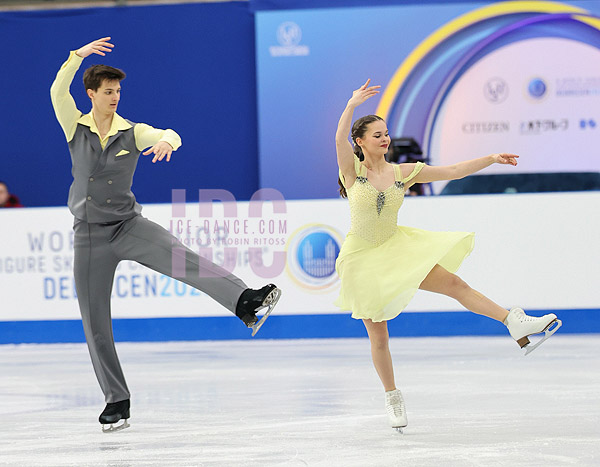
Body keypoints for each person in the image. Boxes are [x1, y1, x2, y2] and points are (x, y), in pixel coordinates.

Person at [50, 37, 281, 432]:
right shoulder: (75, 125)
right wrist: (77, 56)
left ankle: (244, 300)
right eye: (108, 92)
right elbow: (57, 89)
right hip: (88, 236)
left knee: (182, 257)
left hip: (128, 225)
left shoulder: (131, 132)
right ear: (91, 94)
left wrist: (164, 141)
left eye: (119, 91)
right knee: (95, 323)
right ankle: (116, 400)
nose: (115, 97)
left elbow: (170, 133)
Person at [334, 80, 561, 432]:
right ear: (360, 141)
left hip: (396, 247)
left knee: (454, 283)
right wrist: (351, 103)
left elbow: (453, 171)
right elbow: (337, 141)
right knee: (379, 337)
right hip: (362, 257)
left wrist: (491, 158)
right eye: (376, 135)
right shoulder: (353, 172)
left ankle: (513, 322)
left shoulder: (403, 173)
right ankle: (392, 397)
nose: (385, 139)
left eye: (386, 133)